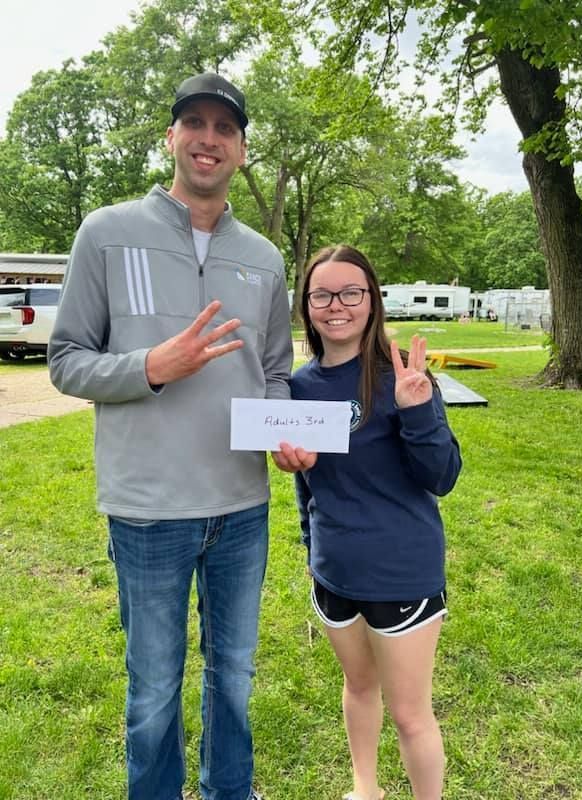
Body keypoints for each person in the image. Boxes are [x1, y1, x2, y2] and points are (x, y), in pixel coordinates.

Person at [49, 72, 312, 800]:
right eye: (194, 123)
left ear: (242, 150)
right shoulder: (105, 233)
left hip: (241, 508)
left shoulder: (263, 256)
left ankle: (231, 790)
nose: (208, 139)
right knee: (154, 687)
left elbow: (275, 371)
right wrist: (151, 366)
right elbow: (66, 360)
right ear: (171, 137)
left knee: (235, 673)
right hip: (147, 510)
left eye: (224, 129)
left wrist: (286, 430)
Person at [281, 245, 462, 800]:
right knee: (359, 688)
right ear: (307, 305)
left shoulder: (400, 378)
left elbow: (442, 477)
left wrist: (417, 410)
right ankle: (365, 790)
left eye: (350, 292)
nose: (336, 305)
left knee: (411, 715)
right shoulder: (300, 385)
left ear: (372, 299)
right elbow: (306, 484)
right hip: (334, 575)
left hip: (400, 574)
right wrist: (314, 550)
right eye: (322, 294)